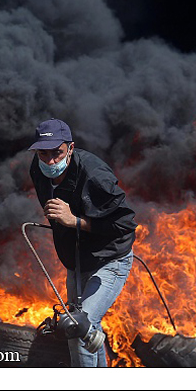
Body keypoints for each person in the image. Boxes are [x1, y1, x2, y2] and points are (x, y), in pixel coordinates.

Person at [28, 118, 137, 367]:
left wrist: (74, 221)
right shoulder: (38, 169)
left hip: (110, 260)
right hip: (76, 262)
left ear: (71, 147)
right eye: (43, 154)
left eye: (57, 153)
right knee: (87, 330)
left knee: (77, 326)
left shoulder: (95, 175)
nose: (50, 161)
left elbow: (124, 225)